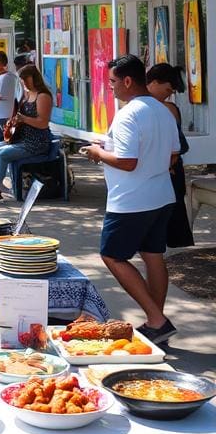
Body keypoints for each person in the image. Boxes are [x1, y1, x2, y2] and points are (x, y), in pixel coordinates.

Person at [81, 54, 180, 343]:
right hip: (161, 195)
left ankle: (157, 319)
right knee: (153, 256)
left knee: (112, 255)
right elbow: (172, 154)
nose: (109, 87)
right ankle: (156, 321)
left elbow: (127, 161)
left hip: (131, 200)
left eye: (112, 82)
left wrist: (97, 153)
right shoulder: (164, 110)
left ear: (127, 81)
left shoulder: (128, 113)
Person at [0, 64, 53, 201]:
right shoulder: (26, 95)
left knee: (2, 154)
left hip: (36, 142)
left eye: (25, 79)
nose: (23, 83)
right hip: (21, 138)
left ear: (34, 78)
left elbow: (43, 123)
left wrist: (24, 119)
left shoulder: (43, 96)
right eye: (21, 80)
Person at [146, 63, 194, 248]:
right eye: (167, 89)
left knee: (172, 219)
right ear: (155, 83)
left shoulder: (168, 109)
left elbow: (176, 147)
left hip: (169, 170)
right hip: (158, 170)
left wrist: (168, 165)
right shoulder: (141, 106)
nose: (168, 94)